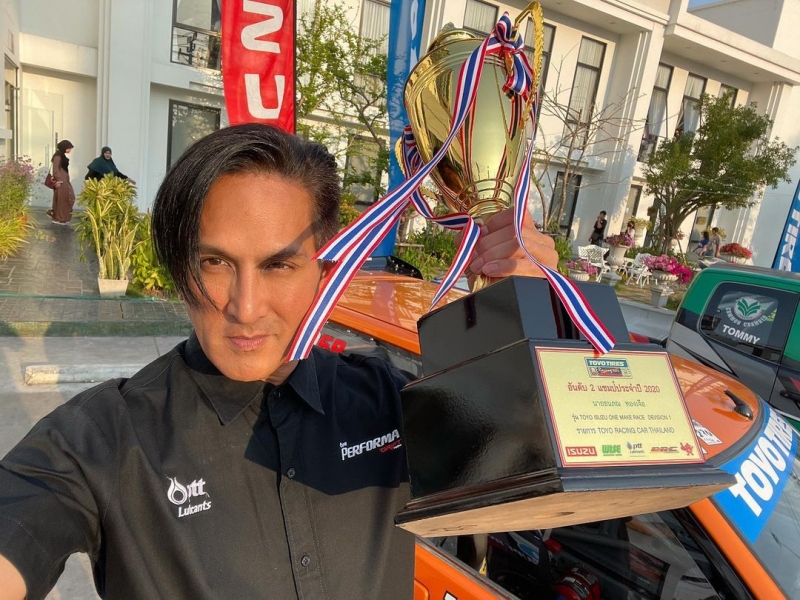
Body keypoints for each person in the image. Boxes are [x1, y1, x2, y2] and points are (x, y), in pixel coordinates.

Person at [0, 124, 558, 599]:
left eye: (279, 266)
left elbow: (534, 468)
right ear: (178, 265)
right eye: (215, 262)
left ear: (326, 268)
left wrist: (531, 312)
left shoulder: (391, 403)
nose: (245, 308)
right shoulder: (103, 439)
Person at [47, 140, 75, 225]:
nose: (70, 150)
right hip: (61, 181)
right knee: (62, 199)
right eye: (69, 148)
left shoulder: (61, 155)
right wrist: (58, 181)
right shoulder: (58, 156)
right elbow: (55, 169)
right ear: (64, 147)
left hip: (64, 180)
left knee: (66, 198)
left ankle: (62, 217)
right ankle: (60, 218)